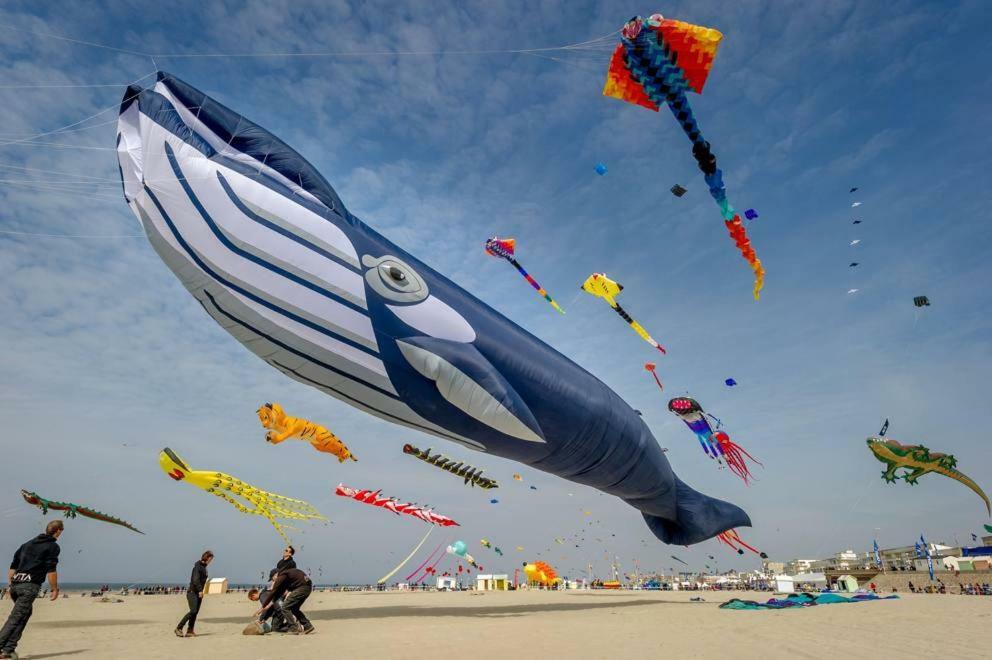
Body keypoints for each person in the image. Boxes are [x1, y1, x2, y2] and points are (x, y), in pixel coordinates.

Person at [0, 520, 63, 659]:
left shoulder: (26, 544)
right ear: (58, 531)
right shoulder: (52, 546)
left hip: (16, 585)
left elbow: (13, 566)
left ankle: (8, 650)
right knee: (16, 618)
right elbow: (51, 569)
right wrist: (54, 589)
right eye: (61, 531)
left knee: (24, 615)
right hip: (29, 587)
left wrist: (11, 586)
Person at [255, 567, 314, 634]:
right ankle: (307, 626)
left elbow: (273, 593)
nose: (273, 581)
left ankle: (293, 628)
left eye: (272, 579)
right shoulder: (286, 575)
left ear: (275, 575)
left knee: (285, 607)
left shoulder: (282, 576)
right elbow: (277, 595)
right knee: (294, 608)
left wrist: (264, 605)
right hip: (308, 587)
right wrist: (266, 607)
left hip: (302, 587)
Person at [175, 551, 213, 638]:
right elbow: (195, 580)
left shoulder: (204, 568)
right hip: (192, 592)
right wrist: (200, 590)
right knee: (193, 611)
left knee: (195, 613)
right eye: (210, 559)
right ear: (206, 558)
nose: (210, 561)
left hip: (198, 593)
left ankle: (190, 631)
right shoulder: (198, 567)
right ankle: (179, 628)